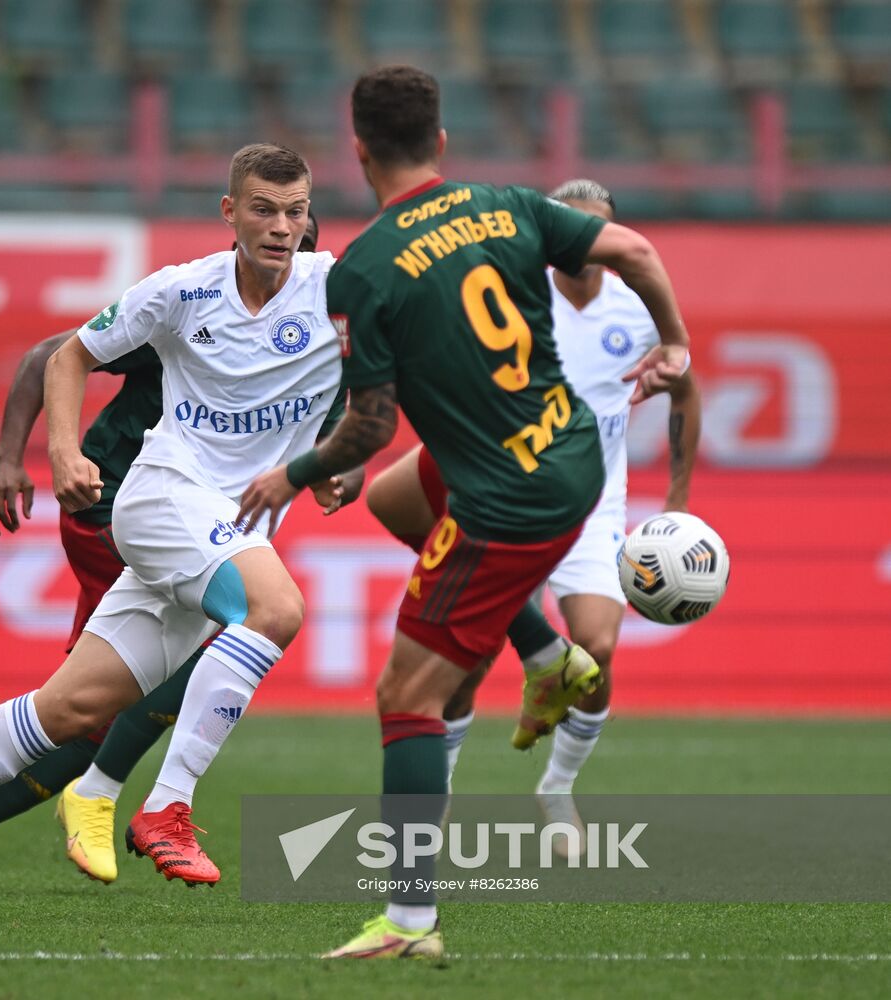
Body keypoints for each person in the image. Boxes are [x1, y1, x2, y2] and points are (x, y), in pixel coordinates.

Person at [0, 144, 355, 916]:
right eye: (262, 209)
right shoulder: (180, 291)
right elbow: (65, 354)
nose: (279, 226)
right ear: (229, 212)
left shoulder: (334, 292)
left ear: (309, 218)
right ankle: (163, 806)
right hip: (160, 496)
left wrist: (345, 466)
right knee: (274, 610)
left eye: (294, 211)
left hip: (218, 524)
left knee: (66, 712)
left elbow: (383, 383)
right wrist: (60, 451)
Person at [237, 68, 692, 961]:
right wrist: (673, 340)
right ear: (440, 143)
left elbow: (369, 420)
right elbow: (635, 254)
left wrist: (293, 475)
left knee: (406, 693)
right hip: (568, 462)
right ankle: (548, 653)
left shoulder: (362, 270)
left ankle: (408, 924)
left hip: (507, 504)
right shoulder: (509, 204)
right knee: (393, 495)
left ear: (357, 150)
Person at [0, 222, 336, 893]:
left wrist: (334, 475)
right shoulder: (194, 313)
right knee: (205, 653)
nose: (289, 252)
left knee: (83, 708)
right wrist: (9, 458)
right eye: (273, 232)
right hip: (120, 506)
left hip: (203, 524)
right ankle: (104, 793)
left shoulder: (317, 341)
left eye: (303, 244)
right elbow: (51, 356)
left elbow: (342, 448)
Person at [364, 179, 703, 855]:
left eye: (593, 232)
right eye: (568, 230)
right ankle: (442, 789)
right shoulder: (515, 294)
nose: (580, 247)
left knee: (598, 651)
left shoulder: (636, 310)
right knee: (463, 661)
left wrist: (674, 503)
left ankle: (557, 786)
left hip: (592, 491)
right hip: (503, 487)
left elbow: (684, 390)